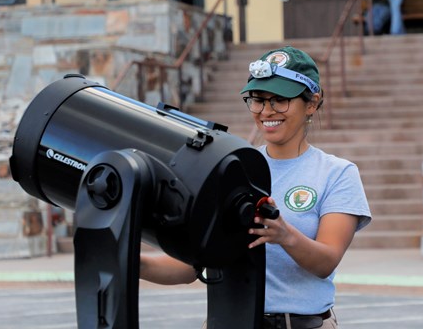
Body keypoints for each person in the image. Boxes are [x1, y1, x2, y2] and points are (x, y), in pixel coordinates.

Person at [140, 46, 372, 329]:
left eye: (280, 100)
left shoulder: (337, 173)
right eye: (258, 100)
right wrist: (133, 261)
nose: (266, 111)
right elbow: (192, 266)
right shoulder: (230, 167)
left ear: (312, 103)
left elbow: (326, 262)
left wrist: (285, 235)